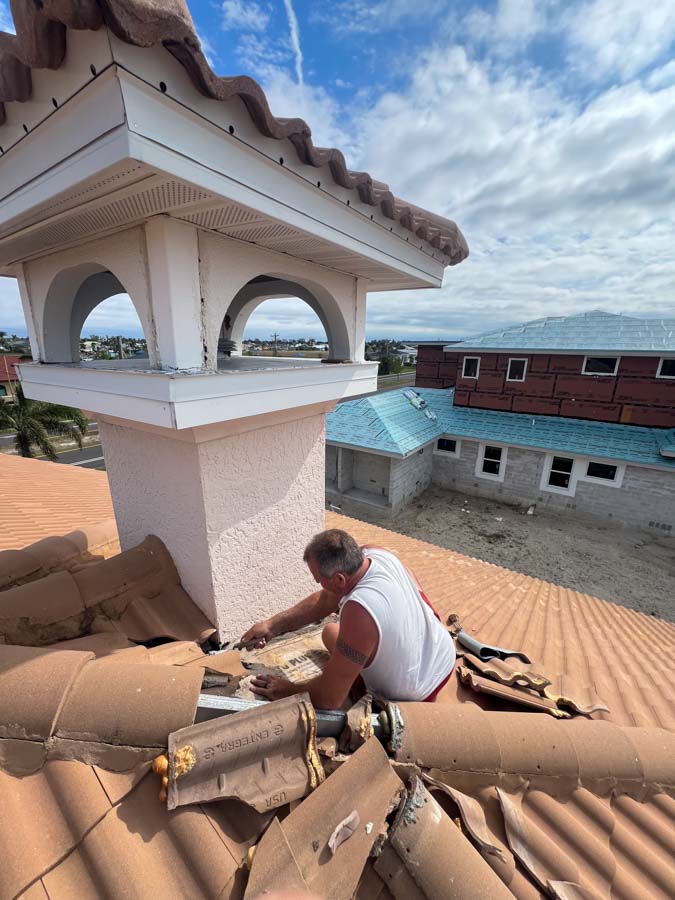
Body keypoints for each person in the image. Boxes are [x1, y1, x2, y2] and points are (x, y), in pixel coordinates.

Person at [240, 528, 455, 708]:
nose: (319, 584)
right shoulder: (375, 554)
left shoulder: (360, 610)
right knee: (330, 631)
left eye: (319, 580)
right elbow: (326, 599)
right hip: (442, 655)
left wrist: (286, 690)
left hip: (416, 692)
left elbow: (329, 698)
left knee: (340, 657)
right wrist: (272, 626)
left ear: (340, 580)